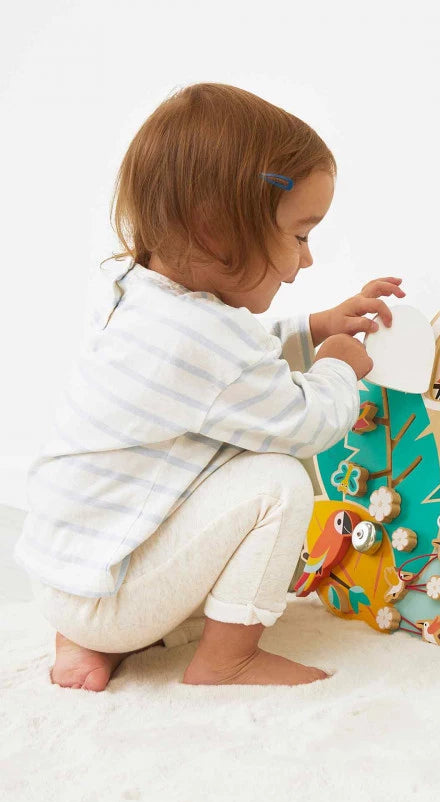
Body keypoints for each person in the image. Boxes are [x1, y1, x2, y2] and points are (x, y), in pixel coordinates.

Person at [15, 82, 403, 689]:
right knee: (277, 480)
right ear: (215, 230)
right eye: (300, 236)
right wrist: (335, 366)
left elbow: (233, 362)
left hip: (61, 578)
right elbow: (306, 423)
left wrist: (314, 327)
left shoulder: (135, 294)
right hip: (111, 598)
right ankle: (227, 658)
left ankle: (85, 640)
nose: (307, 260)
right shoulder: (205, 344)